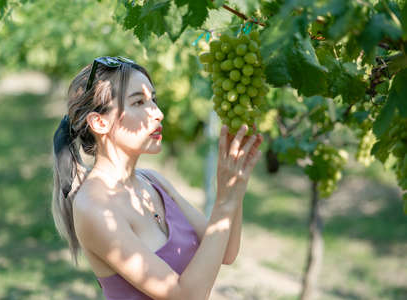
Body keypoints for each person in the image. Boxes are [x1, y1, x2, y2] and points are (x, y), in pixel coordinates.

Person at [51, 56, 264, 300]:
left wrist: (235, 189)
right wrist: (223, 202)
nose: (158, 113)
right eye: (139, 102)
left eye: (153, 99)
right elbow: (186, 297)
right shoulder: (95, 208)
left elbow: (224, 251)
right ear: (99, 122)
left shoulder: (153, 181)